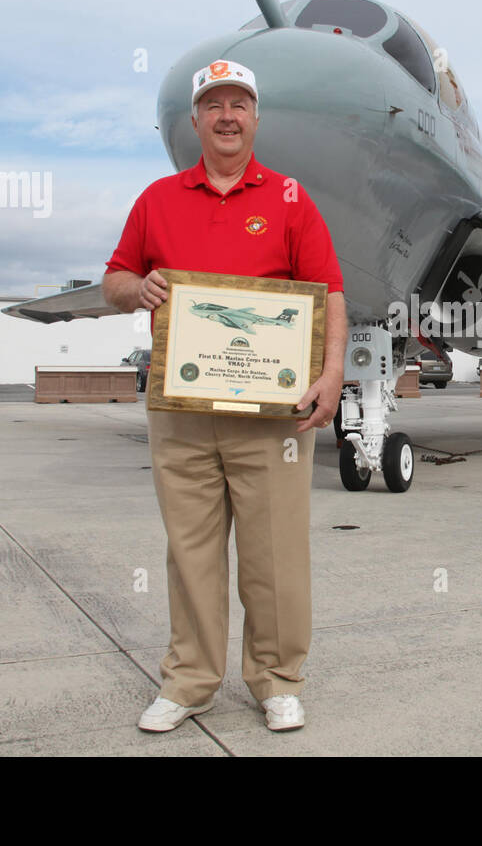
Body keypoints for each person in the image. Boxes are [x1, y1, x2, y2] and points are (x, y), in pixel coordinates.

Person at [102, 58, 346, 733]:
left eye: (238, 103)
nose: (227, 116)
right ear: (196, 121)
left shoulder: (292, 200)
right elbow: (114, 279)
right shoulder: (157, 199)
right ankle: (189, 681)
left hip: (270, 416)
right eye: (214, 105)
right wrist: (139, 288)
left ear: (256, 118)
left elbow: (329, 293)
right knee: (191, 552)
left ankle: (277, 679)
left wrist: (330, 375)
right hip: (180, 412)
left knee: (275, 554)